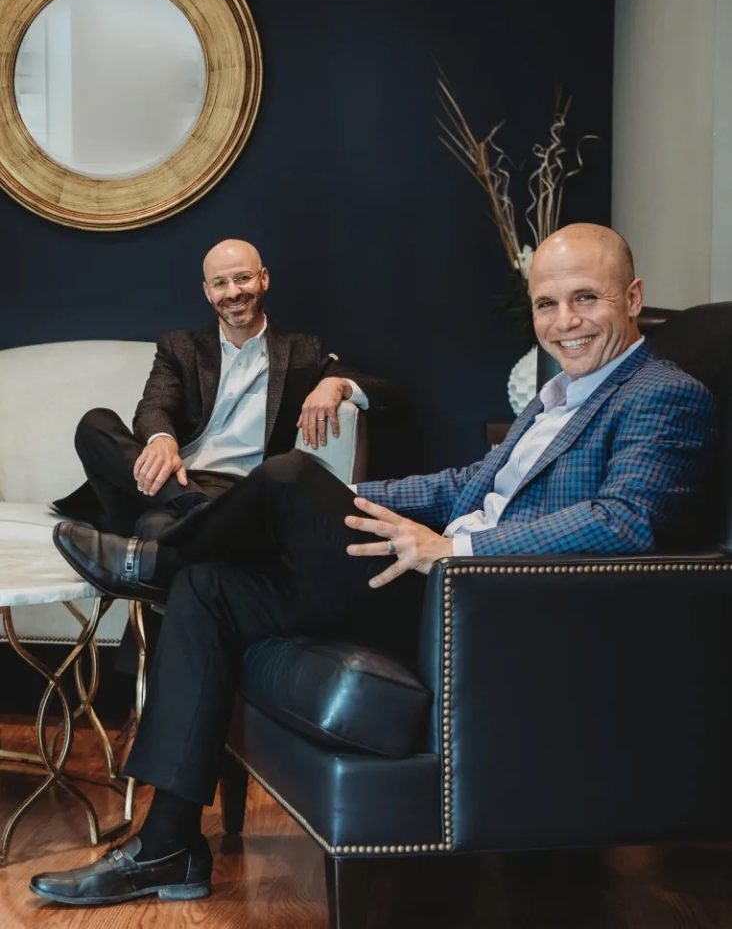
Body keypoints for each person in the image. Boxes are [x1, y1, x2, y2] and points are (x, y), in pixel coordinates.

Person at [30, 224, 718, 906]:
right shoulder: (559, 395)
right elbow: (463, 486)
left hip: (480, 604)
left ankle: (154, 560)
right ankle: (168, 847)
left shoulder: (662, 394)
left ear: (632, 297)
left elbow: (624, 521)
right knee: (208, 584)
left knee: (285, 474)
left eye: (585, 299)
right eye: (546, 304)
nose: (564, 322)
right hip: (432, 578)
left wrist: (456, 549)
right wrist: (343, 499)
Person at [53, 237, 389, 540]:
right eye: (220, 283)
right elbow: (155, 405)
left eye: (242, 278)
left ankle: (188, 518)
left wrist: (336, 383)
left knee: (154, 527)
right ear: (207, 291)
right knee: (95, 423)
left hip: (233, 494)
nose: (232, 292)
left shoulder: (301, 352)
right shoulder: (180, 347)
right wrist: (163, 440)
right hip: (167, 479)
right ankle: (193, 509)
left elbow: (387, 392)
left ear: (264, 279)